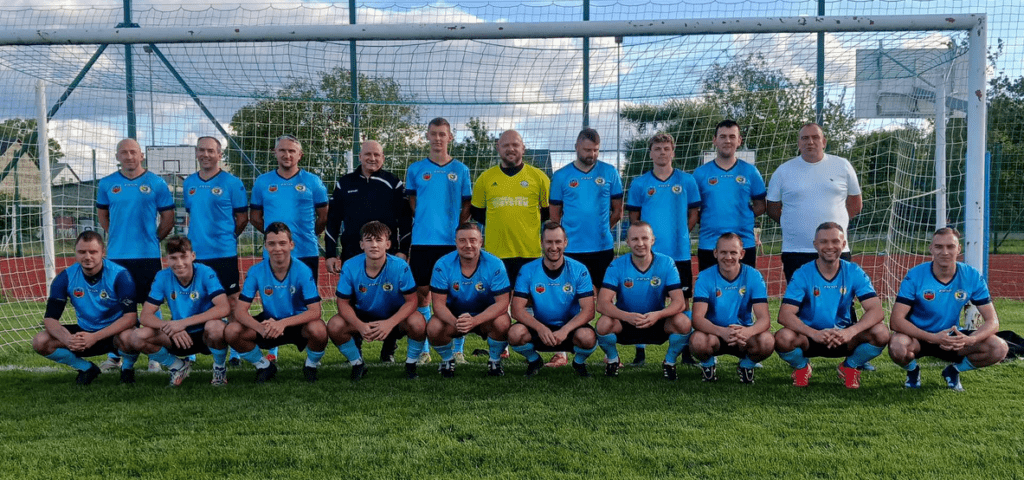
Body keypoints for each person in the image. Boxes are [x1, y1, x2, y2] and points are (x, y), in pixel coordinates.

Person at [888, 228, 1008, 391]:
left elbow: (993, 322)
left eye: (950, 246)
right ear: (931, 249)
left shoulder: (971, 276)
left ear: (959, 249)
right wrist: (933, 338)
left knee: (999, 348)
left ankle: (953, 371)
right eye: (939, 247)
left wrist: (970, 340)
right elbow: (896, 321)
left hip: (951, 338)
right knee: (897, 346)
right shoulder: (915, 275)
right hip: (918, 337)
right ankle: (913, 371)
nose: (944, 252)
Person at [324, 139, 411, 363]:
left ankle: (389, 348)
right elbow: (333, 220)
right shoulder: (345, 183)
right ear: (360, 156)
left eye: (377, 155)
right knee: (353, 301)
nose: (372, 158)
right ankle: (356, 349)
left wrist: (403, 250)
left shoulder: (393, 183)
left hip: (388, 255)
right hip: (353, 253)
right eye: (368, 154)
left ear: (383, 158)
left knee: (391, 299)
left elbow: (405, 221)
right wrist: (331, 253)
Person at [774, 222, 889, 389]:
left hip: (844, 336)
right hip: (810, 337)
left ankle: (849, 366)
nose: (829, 246)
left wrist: (850, 331)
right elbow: (785, 315)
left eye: (835, 241)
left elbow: (876, 311)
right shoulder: (802, 273)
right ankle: (802, 367)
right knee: (783, 338)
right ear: (815, 244)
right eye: (823, 241)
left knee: (881, 333)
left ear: (843, 244)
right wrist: (814, 333)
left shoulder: (854, 271)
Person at [96, 137, 174, 375]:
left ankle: (154, 355)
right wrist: (116, 235)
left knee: (151, 306)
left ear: (142, 155)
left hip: (147, 256)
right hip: (117, 257)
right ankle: (115, 355)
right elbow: (103, 216)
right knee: (118, 307)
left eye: (133, 152)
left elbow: (168, 219)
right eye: (124, 152)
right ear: (117, 157)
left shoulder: (157, 183)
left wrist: (153, 239)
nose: (129, 156)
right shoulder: (107, 183)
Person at [549, 127, 624, 368]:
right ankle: (561, 353)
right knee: (566, 299)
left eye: (595, 150)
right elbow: (554, 217)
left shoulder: (610, 172)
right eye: (587, 150)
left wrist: (602, 229)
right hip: (571, 251)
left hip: (602, 249)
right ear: (576, 147)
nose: (591, 154)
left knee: (606, 301)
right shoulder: (561, 176)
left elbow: (618, 211)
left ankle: (610, 353)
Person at [625, 133, 701, 366]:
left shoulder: (687, 180)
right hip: (649, 256)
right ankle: (640, 351)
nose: (662, 152)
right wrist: (644, 243)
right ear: (650, 153)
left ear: (673, 152)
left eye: (666, 148)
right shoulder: (639, 183)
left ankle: (685, 351)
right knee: (642, 299)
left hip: (679, 253)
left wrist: (681, 233)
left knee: (683, 301)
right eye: (657, 149)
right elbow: (634, 218)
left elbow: (694, 214)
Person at [224, 222, 328, 383]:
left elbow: (315, 311)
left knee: (319, 329)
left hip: (296, 323)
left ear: (291, 245)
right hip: (268, 323)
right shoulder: (256, 271)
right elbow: (240, 311)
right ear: (265, 246)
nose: (277, 248)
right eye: (272, 244)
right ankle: (264, 366)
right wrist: (260, 328)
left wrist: (282, 324)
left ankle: (311, 365)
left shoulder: (303, 270)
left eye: (282, 243)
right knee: (232, 331)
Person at [405, 118, 472, 365]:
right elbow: (412, 203)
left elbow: (467, 204)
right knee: (422, 295)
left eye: (442, 134)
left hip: (450, 243)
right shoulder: (415, 169)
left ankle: (458, 350)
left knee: (456, 295)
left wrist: (455, 229)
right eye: (433, 133)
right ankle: (424, 351)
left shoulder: (461, 170)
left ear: (450, 137)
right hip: (422, 242)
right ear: (427, 136)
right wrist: (426, 220)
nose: (437, 138)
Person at [31, 231, 138, 385]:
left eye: (93, 252)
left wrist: (94, 337)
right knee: (40, 341)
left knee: (130, 337)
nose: (87, 257)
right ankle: (87, 369)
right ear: (75, 252)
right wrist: (68, 339)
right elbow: (50, 319)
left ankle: (127, 369)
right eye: (82, 252)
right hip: (85, 332)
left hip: (114, 334)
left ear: (103, 252)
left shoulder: (120, 276)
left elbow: (130, 318)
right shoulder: (65, 277)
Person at [327, 221, 426, 380]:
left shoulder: (400, 266)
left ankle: (411, 365)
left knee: (418, 322)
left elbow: (412, 301)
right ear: (361, 244)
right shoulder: (350, 266)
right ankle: (357, 364)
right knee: (334, 325)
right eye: (369, 240)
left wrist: (390, 323)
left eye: (379, 240)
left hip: (394, 319)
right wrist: (360, 325)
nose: (374, 245)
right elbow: (342, 303)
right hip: (363, 317)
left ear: (387, 244)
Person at [182, 136, 249, 367]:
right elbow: (192, 214)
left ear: (219, 155)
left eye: (211, 150)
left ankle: (236, 350)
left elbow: (242, 218)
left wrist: (227, 237)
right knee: (193, 300)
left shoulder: (232, 183)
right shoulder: (189, 183)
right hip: (196, 255)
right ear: (196, 153)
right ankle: (189, 350)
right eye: (201, 150)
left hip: (223, 253)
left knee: (232, 301)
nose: (206, 154)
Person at [766, 123, 862, 282]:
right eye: (805, 138)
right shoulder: (783, 171)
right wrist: (793, 223)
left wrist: (834, 225)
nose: (810, 142)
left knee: (839, 296)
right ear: (799, 143)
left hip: (836, 249)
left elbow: (855, 204)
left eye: (815, 137)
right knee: (799, 297)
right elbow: (772, 208)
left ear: (824, 142)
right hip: (796, 250)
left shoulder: (842, 165)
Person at [595, 221, 691, 379]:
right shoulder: (617, 265)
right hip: (626, 322)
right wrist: (627, 316)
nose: (640, 243)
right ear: (627, 242)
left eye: (644, 238)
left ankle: (669, 362)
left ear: (652, 240)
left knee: (683, 322)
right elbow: (602, 303)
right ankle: (613, 360)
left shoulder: (666, 263)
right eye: (635, 239)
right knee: (603, 324)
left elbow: (679, 302)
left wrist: (657, 315)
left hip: (656, 322)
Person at [132, 237, 231, 386]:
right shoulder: (162, 276)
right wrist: (170, 327)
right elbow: (145, 316)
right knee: (137, 336)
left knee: (216, 327)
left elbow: (224, 307)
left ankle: (219, 369)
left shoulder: (205, 272)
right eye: (173, 258)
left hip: (205, 334)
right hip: (178, 336)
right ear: (167, 259)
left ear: (193, 256)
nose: (179, 263)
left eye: (183, 257)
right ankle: (177, 366)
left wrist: (182, 323)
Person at [508, 221, 597, 377]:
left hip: (570, 328)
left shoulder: (579, 269)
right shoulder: (528, 269)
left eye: (558, 242)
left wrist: (565, 330)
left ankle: (578, 363)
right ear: (541, 243)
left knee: (587, 338)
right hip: (540, 327)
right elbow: (516, 310)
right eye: (549, 242)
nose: (554, 247)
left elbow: (589, 311)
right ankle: (534, 360)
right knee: (515, 334)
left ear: (565, 242)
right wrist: (540, 328)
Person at [426, 223, 511, 377]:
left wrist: (475, 321)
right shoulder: (442, 264)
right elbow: (437, 305)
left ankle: (494, 361)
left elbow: (503, 304)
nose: (468, 245)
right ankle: (447, 360)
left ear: (481, 242)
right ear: (455, 242)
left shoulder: (495, 264)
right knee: (434, 327)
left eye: (473, 240)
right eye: (462, 240)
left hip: (485, 317)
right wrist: (457, 323)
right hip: (454, 317)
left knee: (503, 322)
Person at [470, 129, 550, 291]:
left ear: (523, 148)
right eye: (506, 145)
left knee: (529, 299)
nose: (511, 149)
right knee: (498, 300)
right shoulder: (485, 178)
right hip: (496, 254)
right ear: (498, 148)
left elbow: (548, 212)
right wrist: (498, 222)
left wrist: (527, 223)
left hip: (530, 253)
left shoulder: (539, 177)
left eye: (515, 145)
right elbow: (477, 213)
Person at [690, 233, 774, 384]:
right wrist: (722, 331)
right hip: (714, 334)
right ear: (715, 253)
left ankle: (746, 366)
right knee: (698, 341)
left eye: (733, 252)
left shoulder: (754, 276)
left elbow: (764, 319)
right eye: (723, 252)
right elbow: (697, 319)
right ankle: (708, 366)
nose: (728, 257)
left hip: (743, 335)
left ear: (742, 254)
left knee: (767, 341)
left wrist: (748, 332)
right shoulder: (705, 277)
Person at [250, 134, 329, 285]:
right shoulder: (262, 182)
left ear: (300, 155)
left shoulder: (313, 181)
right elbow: (254, 218)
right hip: (273, 253)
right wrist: (274, 235)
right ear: (275, 152)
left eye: (292, 151)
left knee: (307, 297)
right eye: (282, 150)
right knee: (275, 295)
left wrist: (310, 233)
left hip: (306, 251)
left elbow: (324, 217)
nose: (287, 155)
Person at [692, 120, 766, 271]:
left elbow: (761, 205)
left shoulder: (750, 171)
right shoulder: (700, 174)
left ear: (739, 141)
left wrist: (743, 214)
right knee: (709, 285)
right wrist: (709, 218)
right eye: (723, 136)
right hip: (710, 244)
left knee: (744, 285)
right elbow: (692, 210)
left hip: (743, 244)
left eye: (732, 137)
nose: (727, 141)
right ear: (714, 140)